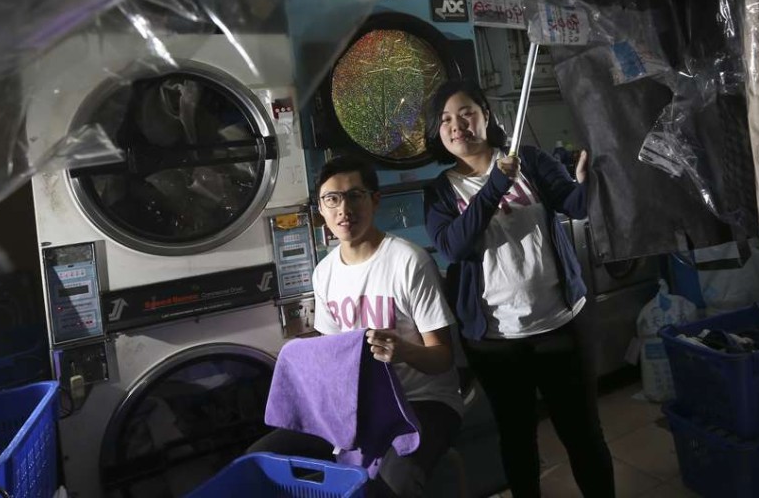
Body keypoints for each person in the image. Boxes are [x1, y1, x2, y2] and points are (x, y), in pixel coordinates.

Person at [422, 80, 615, 498]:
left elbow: (574, 204)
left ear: (486, 115)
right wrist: (494, 185)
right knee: (517, 439)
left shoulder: (528, 159)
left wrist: (588, 185)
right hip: (497, 343)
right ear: (438, 132)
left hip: (562, 325)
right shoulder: (440, 190)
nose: (458, 125)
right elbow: (455, 245)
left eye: (466, 113)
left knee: (583, 435)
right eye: (446, 120)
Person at [249, 155, 462, 498]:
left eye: (355, 196)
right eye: (332, 199)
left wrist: (403, 351)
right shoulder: (325, 273)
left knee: (390, 482)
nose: (343, 208)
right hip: (358, 405)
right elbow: (336, 365)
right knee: (262, 459)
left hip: (424, 401)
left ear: (375, 200)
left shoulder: (408, 262)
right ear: (321, 209)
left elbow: (443, 359)